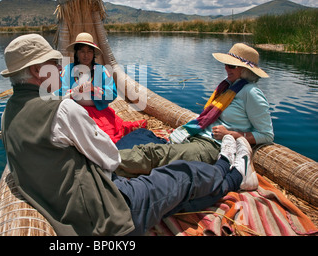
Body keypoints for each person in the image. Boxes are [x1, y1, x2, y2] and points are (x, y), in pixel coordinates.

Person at [0, 34, 256, 236]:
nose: (58, 66)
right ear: (36, 72)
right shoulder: (61, 108)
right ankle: (233, 171)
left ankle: (223, 171)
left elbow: (104, 98)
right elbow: (110, 159)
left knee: (173, 190)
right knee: (183, 175)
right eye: (53, 63)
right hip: (110, 215)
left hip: (76, 208)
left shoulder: (7, 114)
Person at [115, 43, 274, 178]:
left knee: (153, 153)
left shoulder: (251, 93)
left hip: (213, 146)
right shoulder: (229, 87)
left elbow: (266, 134)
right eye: (226, 64)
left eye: (231, 65)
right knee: (142, 136)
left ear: (244, 70)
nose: (226, 68)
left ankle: (100, 165)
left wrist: (231, 134)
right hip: (198, 136)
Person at [56, 32, 146, 142]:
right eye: (82, 51)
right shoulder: (67, 70)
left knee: (105, 139)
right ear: (76, 53)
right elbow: (58, 93)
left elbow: (112, 95)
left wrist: (95, 89)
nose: (86, 55)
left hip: (98, 113)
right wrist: (73, 92)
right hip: (74, 113)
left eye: (89, 51)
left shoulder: (102, 71)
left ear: (93, 54)